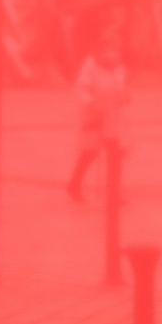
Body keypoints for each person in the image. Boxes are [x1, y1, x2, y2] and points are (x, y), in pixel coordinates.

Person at [66, 29, 129, 201]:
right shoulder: (91, 66)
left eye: (116, 49)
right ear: (102, 49)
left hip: (113, 116)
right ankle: (74, 184)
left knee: (115, 153)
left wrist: (124, 96)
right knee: (90, 151)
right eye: (110, 48)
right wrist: (91, 103)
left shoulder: (119, 68)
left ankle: (113, 193)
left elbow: (120, 88)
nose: (114, 53)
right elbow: (82, 89)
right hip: (94, 114)